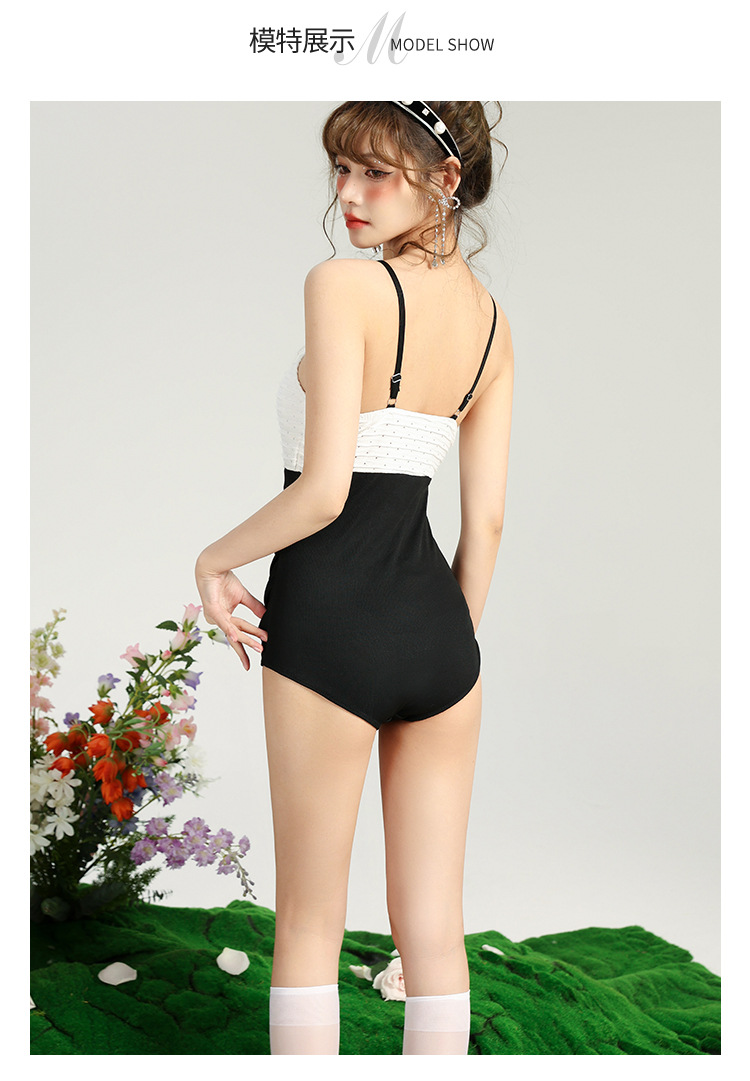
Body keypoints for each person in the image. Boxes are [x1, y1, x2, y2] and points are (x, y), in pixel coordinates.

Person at [194, 101, 514, 1055]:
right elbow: (486, 522)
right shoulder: (495, 324)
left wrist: (214, 558)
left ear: (445, 179)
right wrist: (438, 643)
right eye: (341, 168)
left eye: (375, 171)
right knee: (435, 929)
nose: (348, 194)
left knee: (307, 920)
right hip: (441, 636)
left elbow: (325, 491)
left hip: (329, 621)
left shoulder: (342, 284)